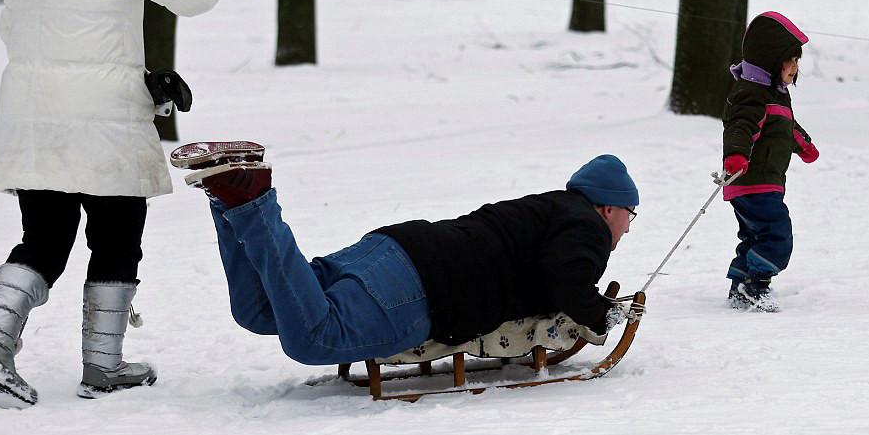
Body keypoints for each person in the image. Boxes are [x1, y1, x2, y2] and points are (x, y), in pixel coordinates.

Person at [0, 0, 237, 406]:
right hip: (103, 128)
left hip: (36, 122)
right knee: (116, 236)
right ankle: (103, 366)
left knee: (43, 240)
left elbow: (18, 31)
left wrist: (136, 77)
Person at [173, 147, 638, 366]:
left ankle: (228, 193)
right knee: (314, 339)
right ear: (609, 206)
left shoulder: (549, 205)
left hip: (392, 247)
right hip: (425, 288)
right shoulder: (587, 225)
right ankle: (252, 201)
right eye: (629, 215)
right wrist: (597, 312)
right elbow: (565, 279)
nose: (627, 227)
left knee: (260, 311)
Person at [721, 11, 818, 312]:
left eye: (797, 61)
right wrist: (736, 155)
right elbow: (741, 127)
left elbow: (785, 127)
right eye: (790, 60)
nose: (795, 68)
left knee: (754, 234)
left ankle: (740, 283)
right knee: (777, 234)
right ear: (770, 60)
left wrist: (804, 146)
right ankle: (757, 285)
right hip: (754, 181)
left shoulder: (774, 95)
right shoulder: (751, 94)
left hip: (757, 184)